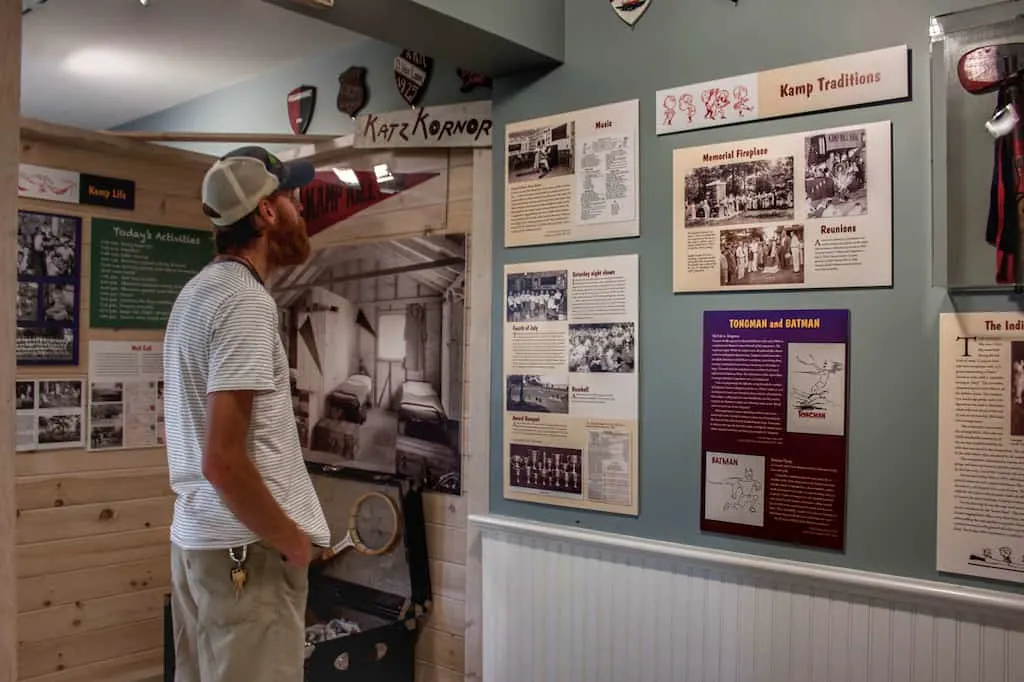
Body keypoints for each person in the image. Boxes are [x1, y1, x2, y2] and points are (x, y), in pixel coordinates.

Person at [163, 146, 331, 682]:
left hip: (199, 543)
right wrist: (291, 540)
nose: (300, 209)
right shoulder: (244, 302)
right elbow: (223, 461)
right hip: (244, 554)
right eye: (290, 197)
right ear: (265, 212)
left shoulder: (196, 294)